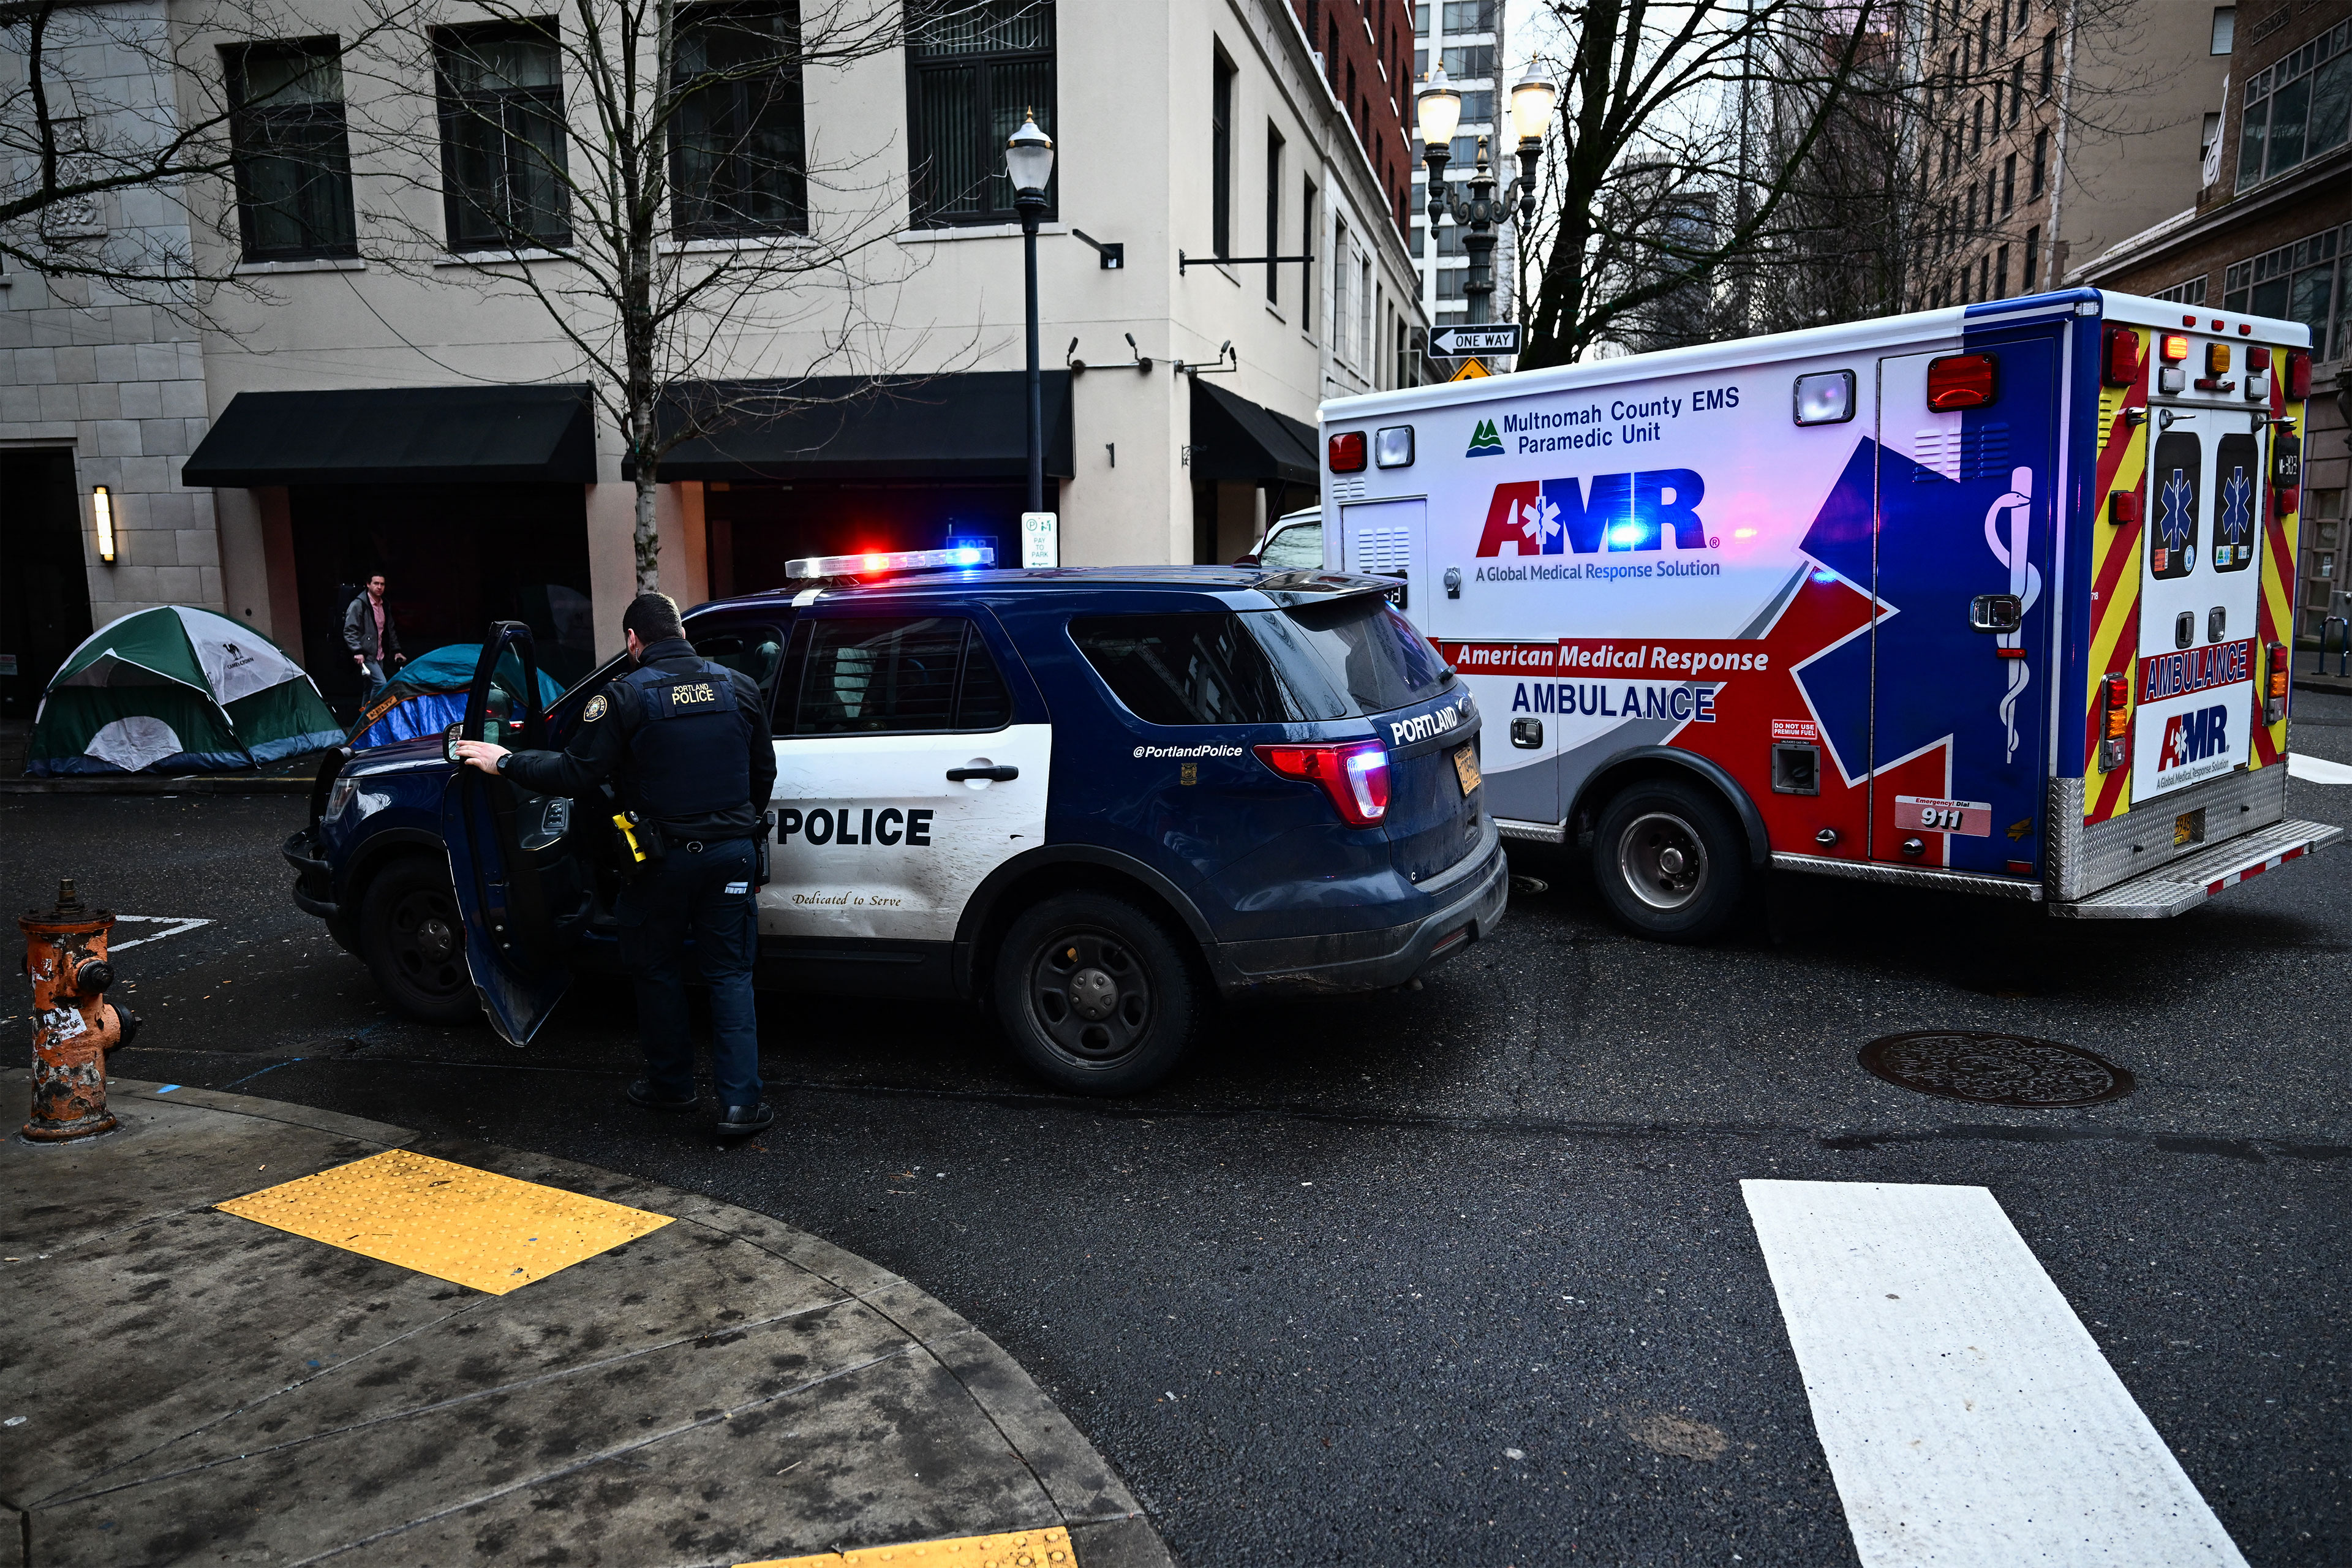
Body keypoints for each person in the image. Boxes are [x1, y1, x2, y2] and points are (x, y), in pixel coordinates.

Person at [453, 592, 778, 1137]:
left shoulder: (624, 696)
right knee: (730, 975)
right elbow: (762, 774)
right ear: (680, 630)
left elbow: (578, 774)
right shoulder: (738, 687)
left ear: (633, 640)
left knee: (656, 970)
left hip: (660, 862)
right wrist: (731, 825)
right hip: (732, 856)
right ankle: (742, 1105)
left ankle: (672, 1087)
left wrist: (504, 760)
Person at [343, 573, 405, 695]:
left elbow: (390, 630)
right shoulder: (359, 604)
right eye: (376, 583)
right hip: (366, 653)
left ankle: (365, 713)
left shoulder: (385, 605)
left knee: (370, 687)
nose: (379, 587)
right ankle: (374, 712)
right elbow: (349, 630)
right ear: (368, 585)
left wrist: (396, 650)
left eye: (382, 584)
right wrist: (357, 651)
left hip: (379, 653)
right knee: (381, 683)